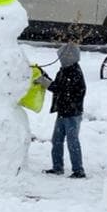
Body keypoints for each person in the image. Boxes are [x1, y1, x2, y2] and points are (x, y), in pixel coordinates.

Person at [37, 43, 87, 178]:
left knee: (72, 142)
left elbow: (60, 88)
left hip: (72, 114)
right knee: (57, 140)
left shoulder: (74, 73)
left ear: (69, 57)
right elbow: (57, 85)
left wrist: (44, 82)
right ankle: (57, 167)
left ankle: (78, 170)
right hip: (63, 112)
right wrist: (44, 76)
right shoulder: (65, 70)